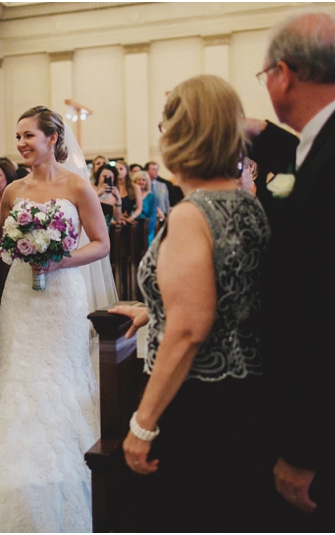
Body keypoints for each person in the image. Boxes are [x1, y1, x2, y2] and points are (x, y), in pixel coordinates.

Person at [0, 106, 109, 533]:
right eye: (18, 137)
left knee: (60, 379)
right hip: (22, 298)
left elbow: (101, 243)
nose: (22, 144)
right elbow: (4, 243)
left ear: (52, 138)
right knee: (17, 380)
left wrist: (62, 260)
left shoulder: (77, 187)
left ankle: (67, 476)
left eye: (29, 136)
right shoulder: (12, 191)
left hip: (62, 296)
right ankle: (8, 484)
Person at [109, 75, 271, 532]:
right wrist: (153, 309)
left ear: (181, 134)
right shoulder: (247, 202)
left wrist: (143, 422)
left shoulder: (190, 213)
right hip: (246, 396)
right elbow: (229, 289)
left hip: (197, 400)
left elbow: (189, 329)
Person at [246, 12, 335, 532]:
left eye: (265, 75)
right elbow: (304, 157)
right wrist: (265, 135)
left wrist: (303, 450)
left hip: (333, 435)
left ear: (285, 74)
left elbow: (333, 319)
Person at [133, 170, 158, 243]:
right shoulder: (131, 195)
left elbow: (152, 214)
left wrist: (148, 228)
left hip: (145, 225)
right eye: (139, 179)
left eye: (143, 180)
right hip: (133, 225)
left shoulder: (151, 196)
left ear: (147, 182)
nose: (141, 182)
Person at [115, 159, 142, 223]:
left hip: (131, 220)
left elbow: (139, 208)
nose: (118, 171)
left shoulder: (135, 187)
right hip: (115, 220)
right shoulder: (112, 187)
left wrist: (131, 217)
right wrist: (118, 217)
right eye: (116, 169)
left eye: (121, 169)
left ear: (126, 171)